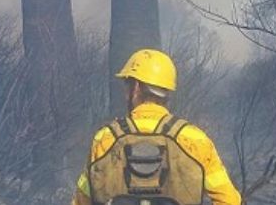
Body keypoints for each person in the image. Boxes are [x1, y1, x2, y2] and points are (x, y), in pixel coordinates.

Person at [71, 48, 241, 205]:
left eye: (127, 85)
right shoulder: (195, 140)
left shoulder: (105, 138)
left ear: (136, 87)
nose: (125, 93)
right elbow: (230, 201)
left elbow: (81, 201)